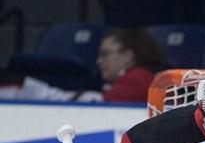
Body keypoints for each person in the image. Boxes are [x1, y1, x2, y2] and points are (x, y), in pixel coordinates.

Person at [0, 27, 165, 102]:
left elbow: (100, 105)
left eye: (105, 54)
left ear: (128, 56)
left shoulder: (139, 79)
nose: (99, 61)